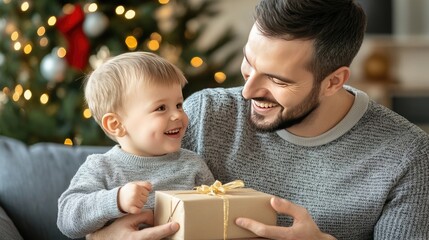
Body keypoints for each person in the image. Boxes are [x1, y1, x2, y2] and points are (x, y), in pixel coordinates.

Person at [88, 0, 429, 239]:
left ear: (333, 81)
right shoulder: (206, 113)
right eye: (249, 63)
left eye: (278, 80)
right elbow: (109, 196)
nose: (248, 91)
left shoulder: (405, 154)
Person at [57, 51, 215, 239]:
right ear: (116, 125)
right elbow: (66, 219)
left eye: (179, 105)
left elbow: (216, 214)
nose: (178, 116)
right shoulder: (102, 167)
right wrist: (116, 200)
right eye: (161, 108)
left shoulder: (193, 165)